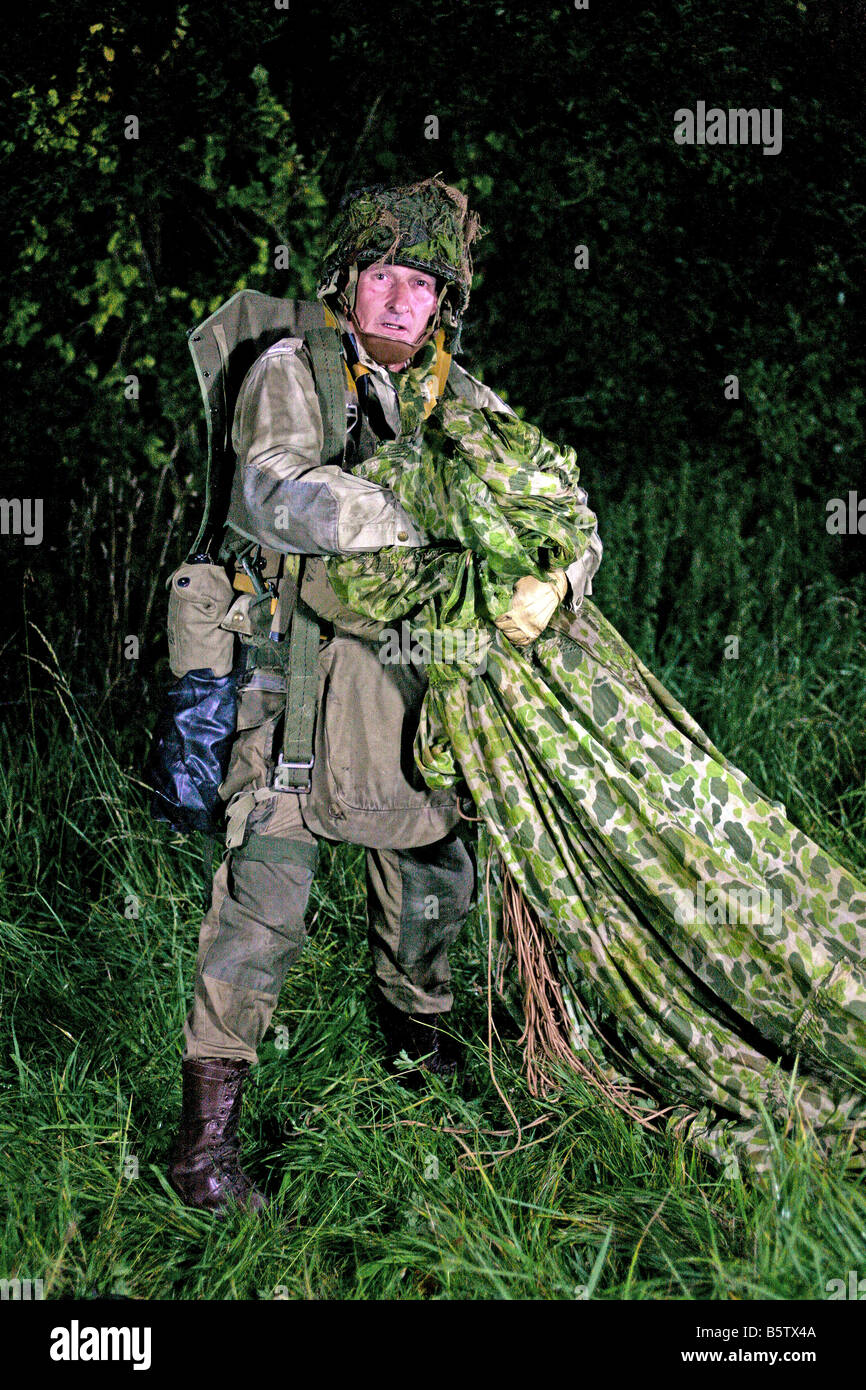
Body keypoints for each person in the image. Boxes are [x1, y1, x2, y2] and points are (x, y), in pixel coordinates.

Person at [167, 176, 603, 1214]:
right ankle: (203, 1146)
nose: (404, 299)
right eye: (385, 276)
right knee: (259, 906)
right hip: (296, 685)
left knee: (430, 888)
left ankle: (414, 1075)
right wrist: (404, 510)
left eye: (424, 283)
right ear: (347, 283)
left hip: (414, 700)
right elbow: (274, 487)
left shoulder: (460, 396)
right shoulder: (292, 370)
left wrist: (558, 575)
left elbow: (560, 504)